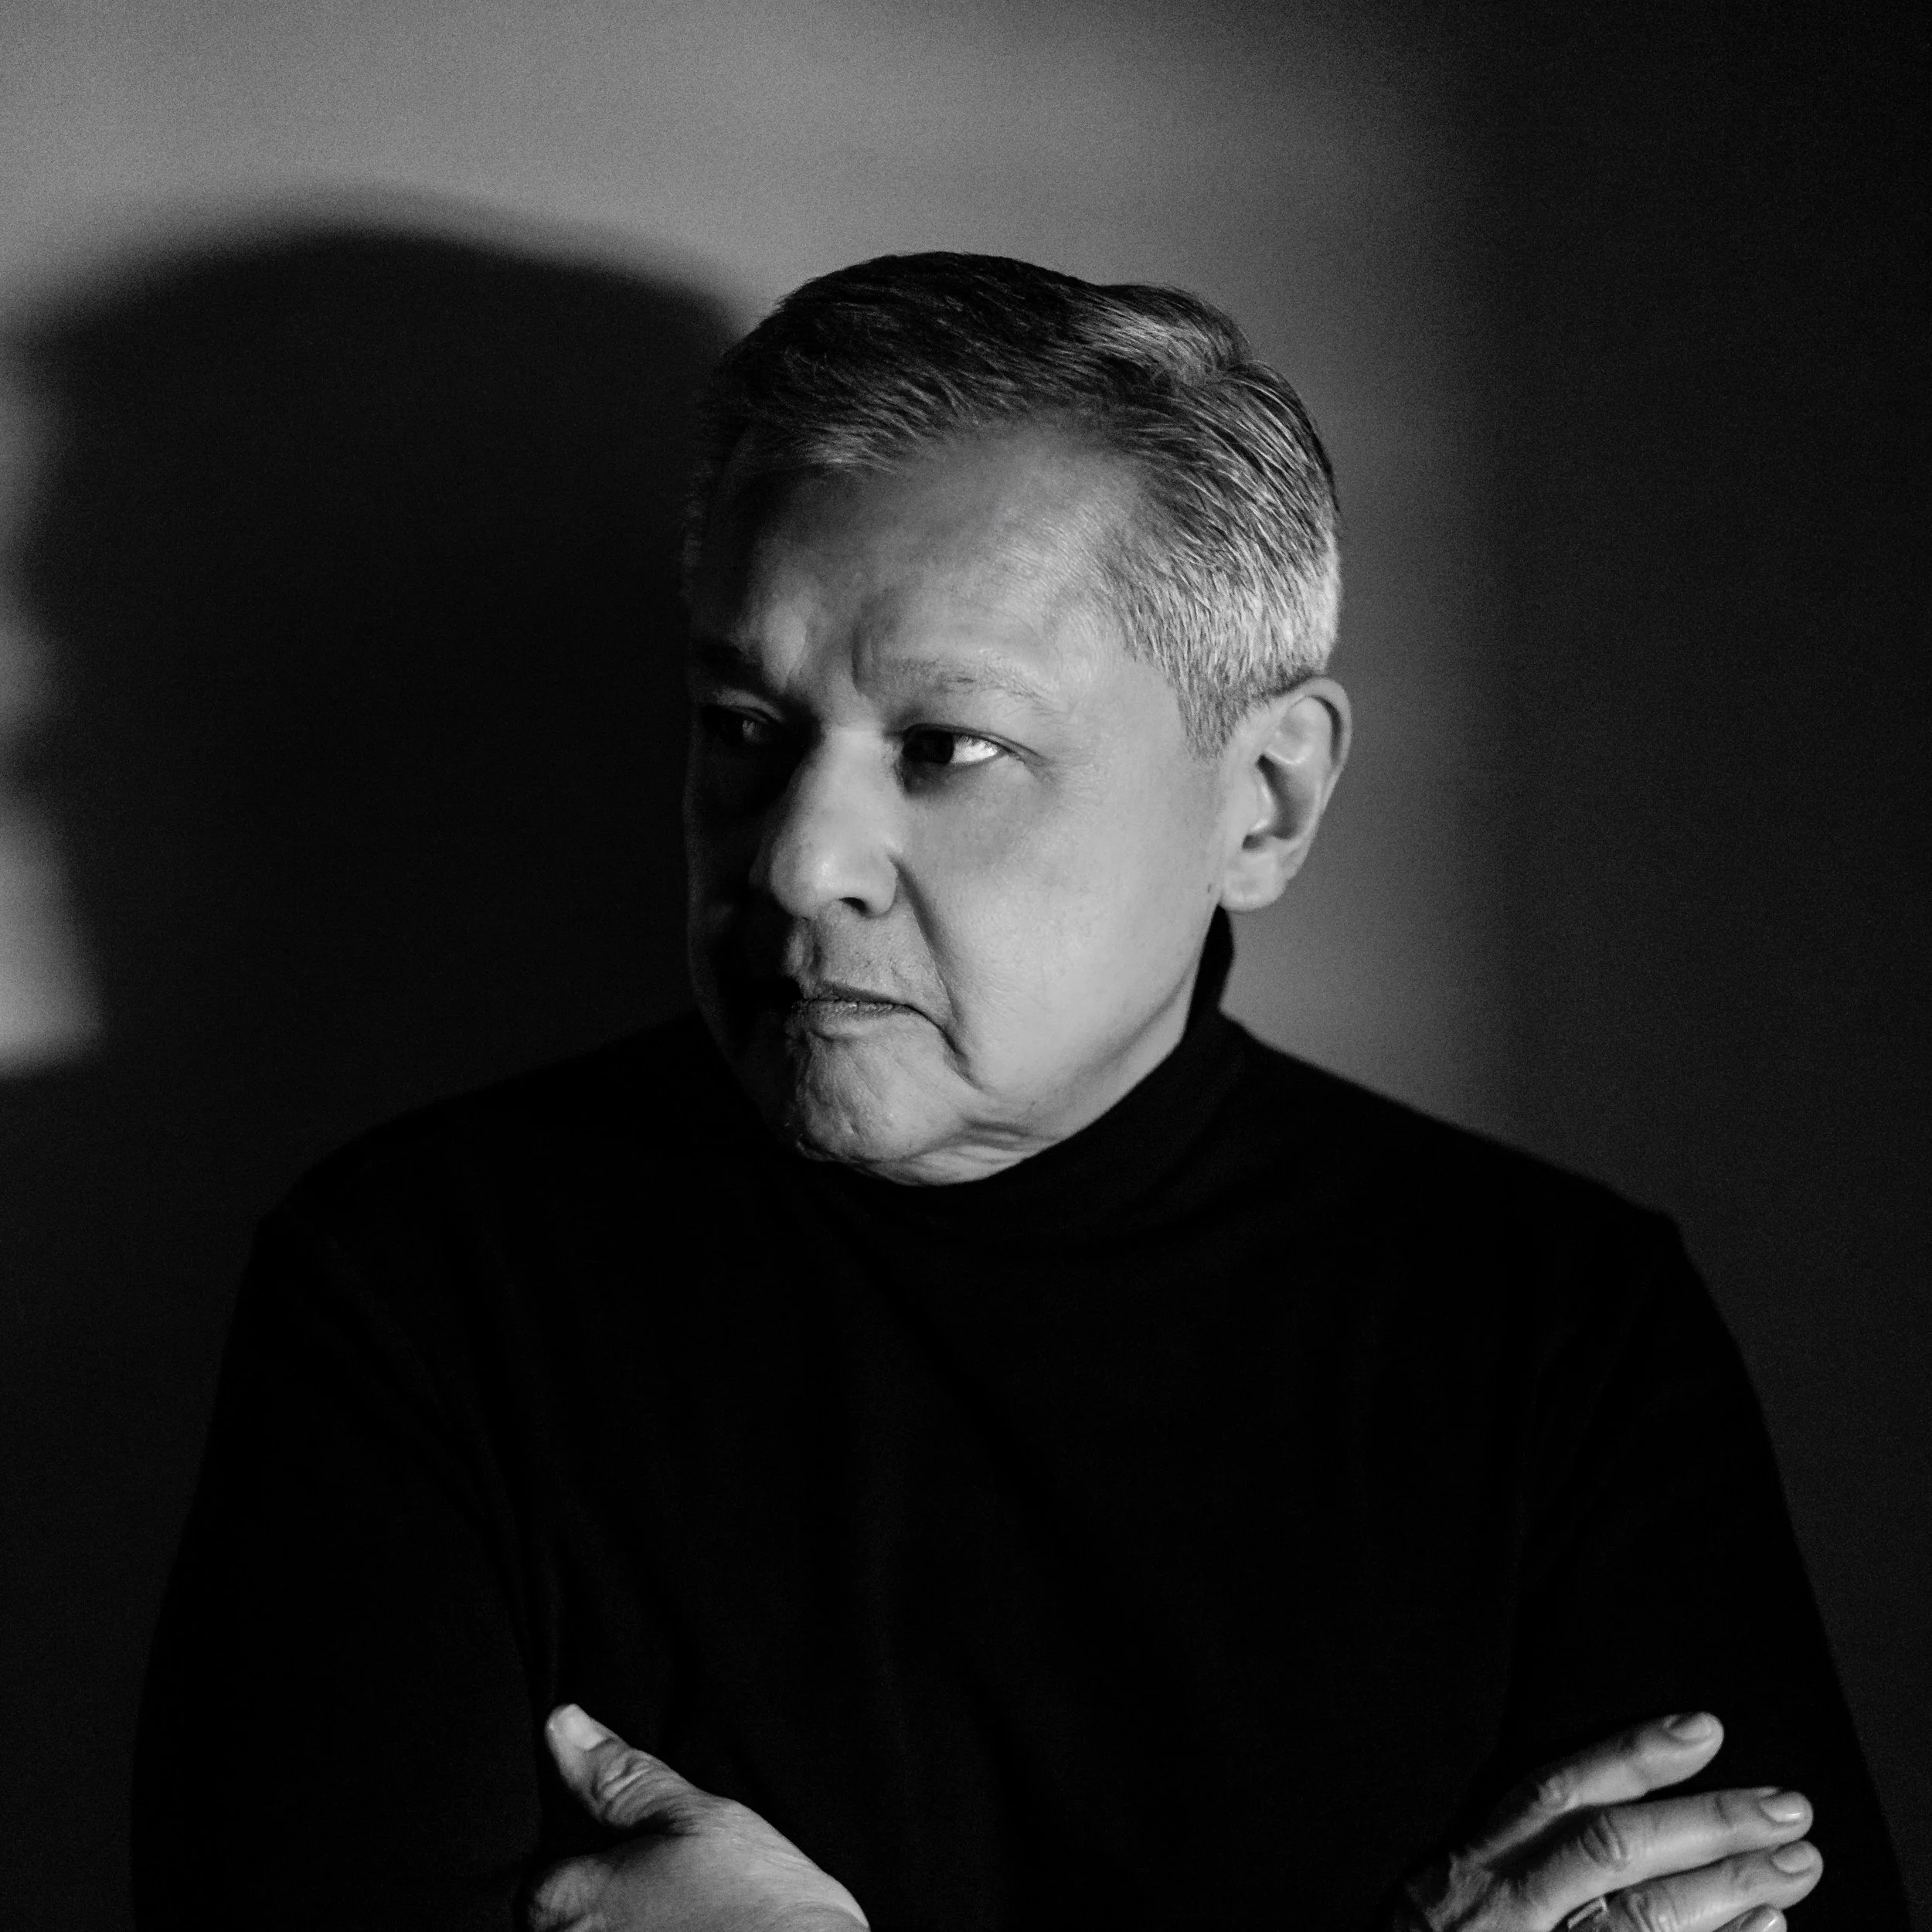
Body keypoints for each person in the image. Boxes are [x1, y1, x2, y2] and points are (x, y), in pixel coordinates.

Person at [131, 253, 1906, 1930]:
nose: (796, 859)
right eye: (741, 725)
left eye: (945, 745)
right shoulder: (420, 1288)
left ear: (1264, 802)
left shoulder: (1556, 1332)